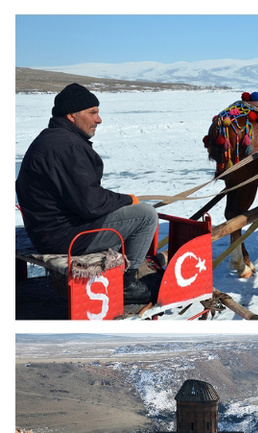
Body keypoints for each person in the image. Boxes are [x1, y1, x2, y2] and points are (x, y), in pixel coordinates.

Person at [16, 82, 159, 304]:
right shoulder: (68, 146)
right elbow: (91, 203)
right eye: (92, 113)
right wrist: (127, 200)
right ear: (72, 115)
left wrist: (119, 202)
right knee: (146, 215)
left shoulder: (52, 138)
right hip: (64, 236)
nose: (98, 119)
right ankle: (126, 286)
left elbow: (82, 196)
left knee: (131, 209)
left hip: (47, 230)